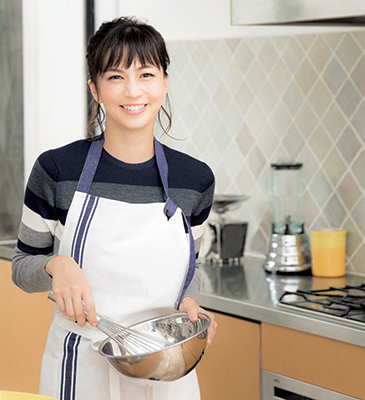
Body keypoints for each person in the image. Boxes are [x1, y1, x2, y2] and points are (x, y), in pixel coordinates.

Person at [12, 16, 216, 400]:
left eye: (146, 74)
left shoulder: (195, 180)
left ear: (164, 83)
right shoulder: (57, 170)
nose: (133, 91)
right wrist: (57, 265)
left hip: (166, 365)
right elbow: (23, 268)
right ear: (96, 88)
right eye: (116, 77)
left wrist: (190, 302)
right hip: (79, 364)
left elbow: (192, 265)